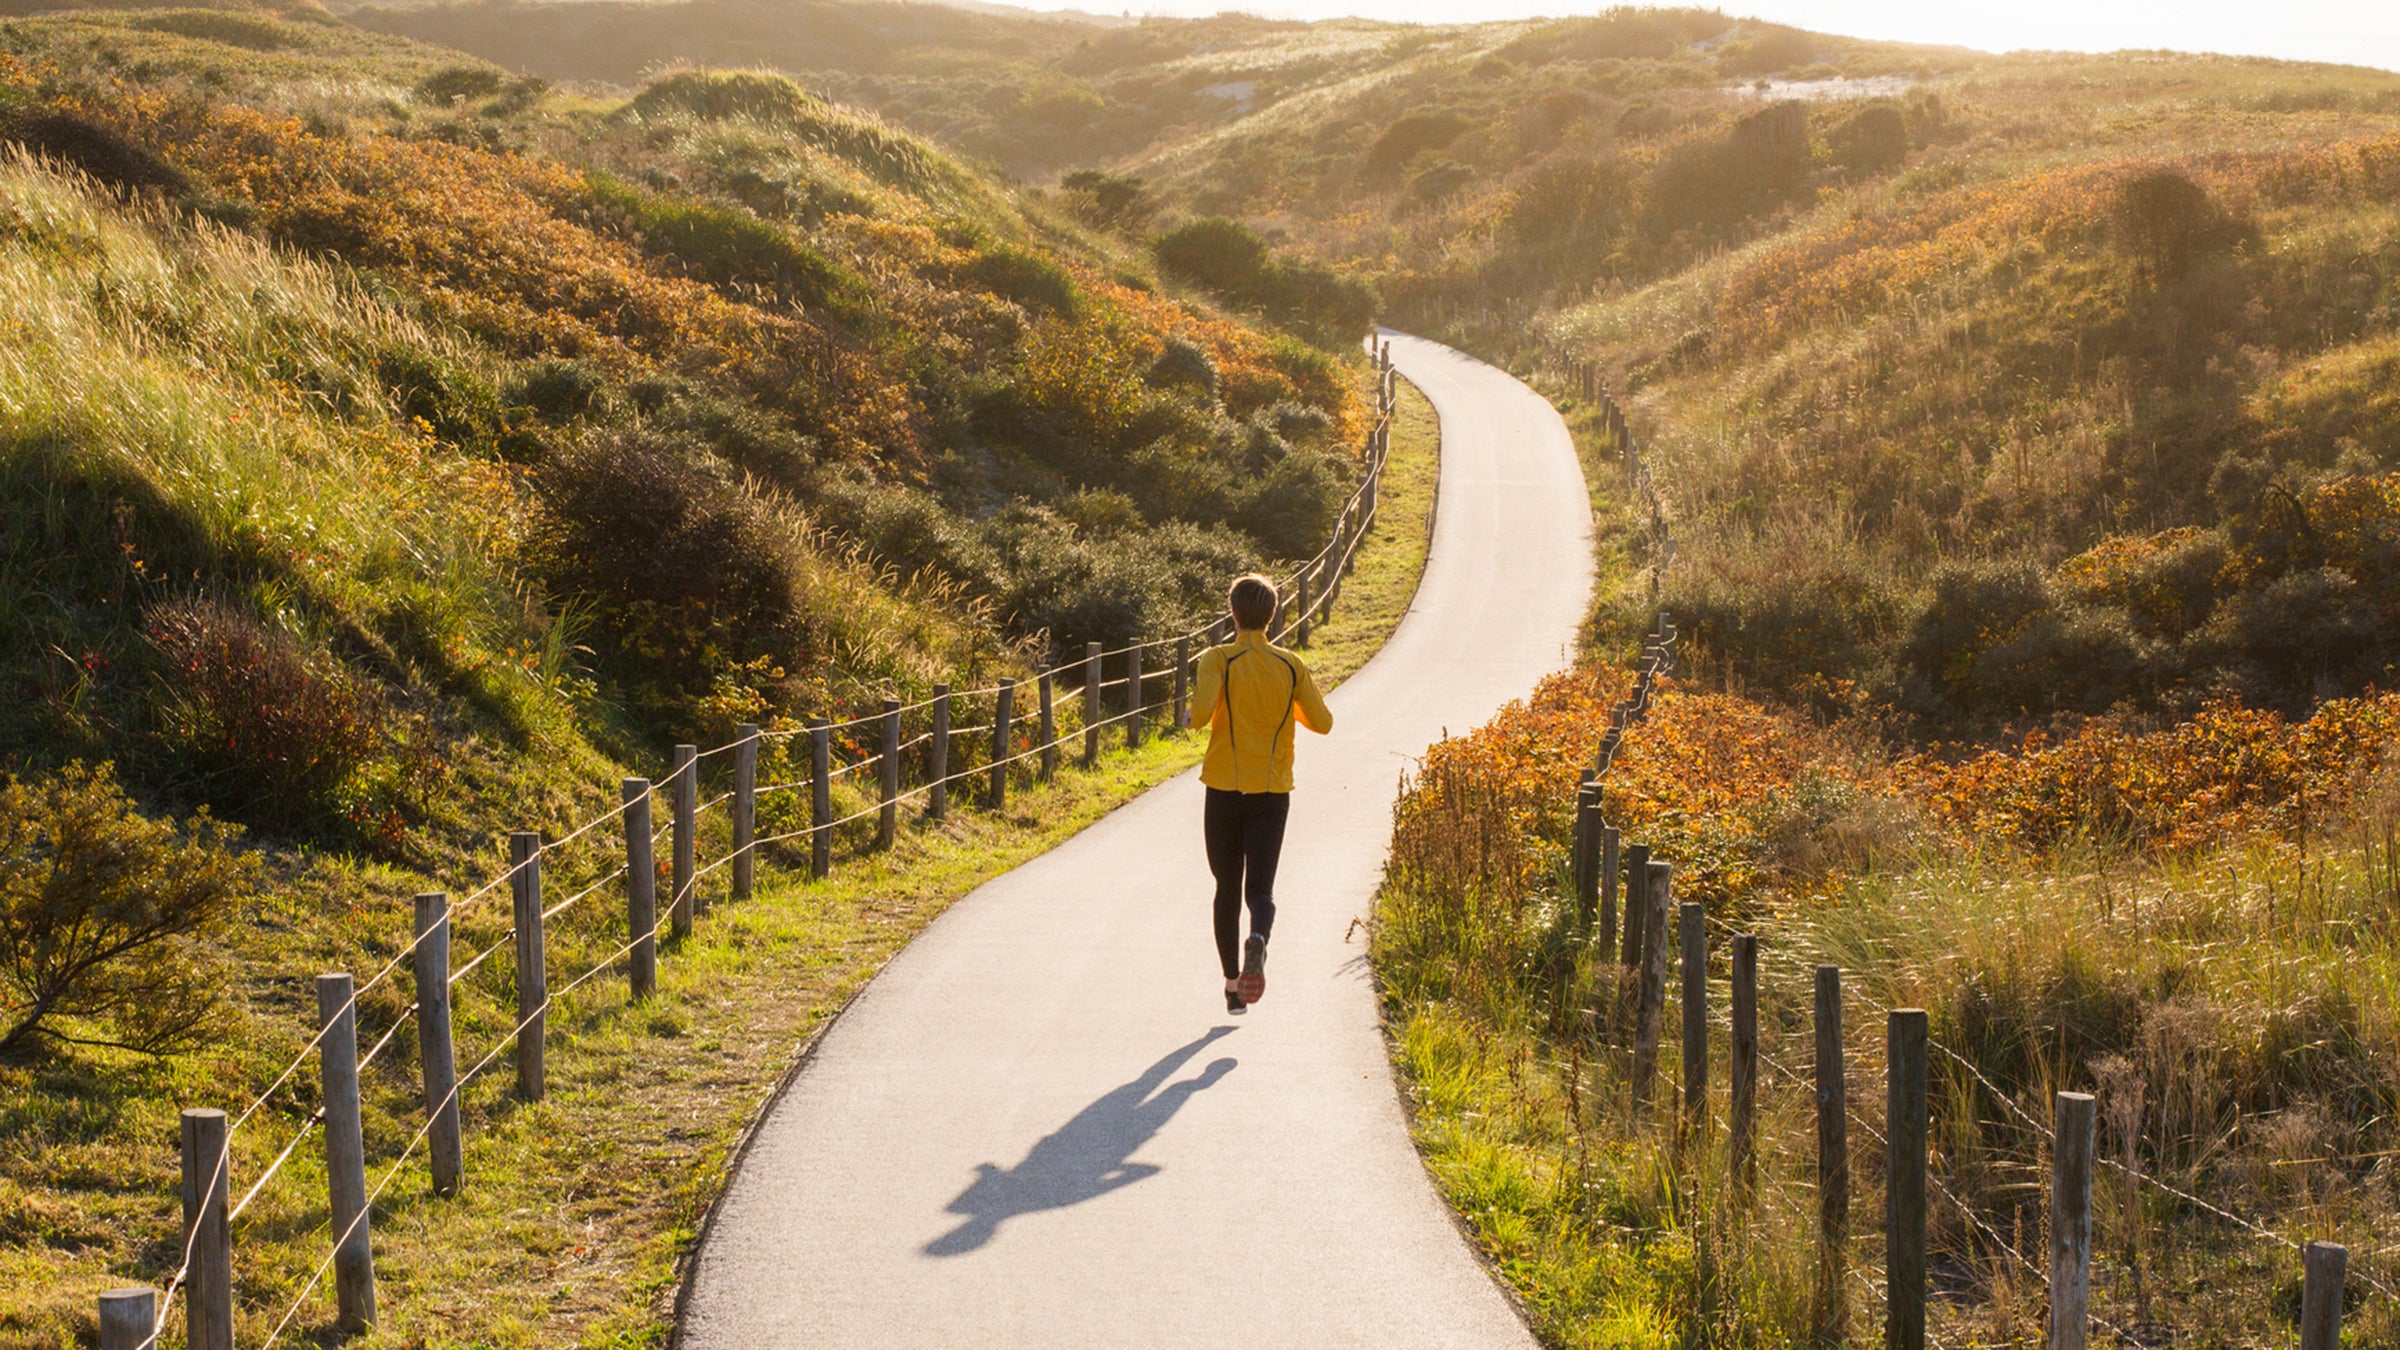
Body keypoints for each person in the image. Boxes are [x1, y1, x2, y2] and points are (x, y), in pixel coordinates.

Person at [1189, 573, 1333, 1014]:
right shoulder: (1291, 664)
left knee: (1226, 886)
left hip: (1225, 789)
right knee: (1261, 890)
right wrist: (1287, 705)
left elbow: (1198, 718)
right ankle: (1259, 939)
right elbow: (1323, 722)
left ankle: (1233, 986)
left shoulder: (1217, 658)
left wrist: (1198, 710)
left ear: (1233, 612)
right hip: (1272, 790)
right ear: (1273, 614)